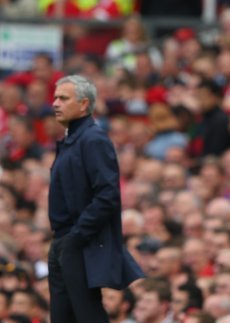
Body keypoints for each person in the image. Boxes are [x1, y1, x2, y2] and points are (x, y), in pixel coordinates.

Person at [48, 75, 144, 323]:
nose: (55, 103)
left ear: (83, 104)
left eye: (63, 98)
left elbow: (107, 195)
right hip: (63, 239)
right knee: (63, 317)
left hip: (78, 240)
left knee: (87, 314)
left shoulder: (93, 139)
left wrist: (78, 236)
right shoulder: (73, 140)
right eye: (55, 97)